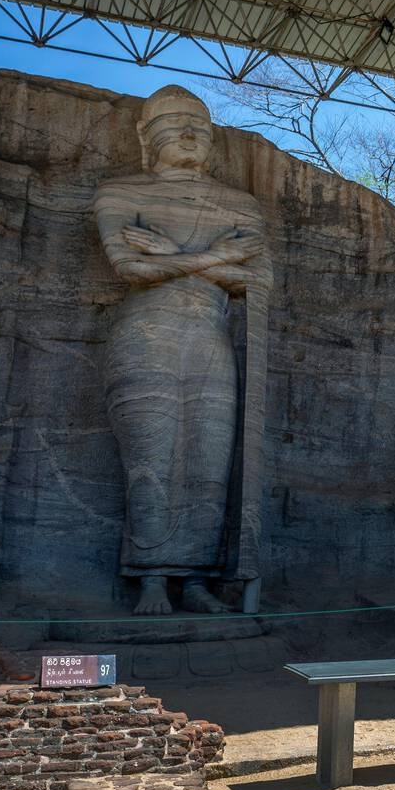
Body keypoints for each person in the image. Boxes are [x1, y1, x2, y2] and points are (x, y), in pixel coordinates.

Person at [92, 85, 271, 614]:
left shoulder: (240, 205)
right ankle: (150, 578)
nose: (189, 135)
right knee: (151, 453)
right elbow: (131, 268)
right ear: (148, 139)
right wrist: (212, 258)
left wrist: (175, 254)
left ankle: (194, 579)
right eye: (174, 124)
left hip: (211, 340)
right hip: (144, 337)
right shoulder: (121, 194)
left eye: (199, 126)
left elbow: (257, 283)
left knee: (209, 462)